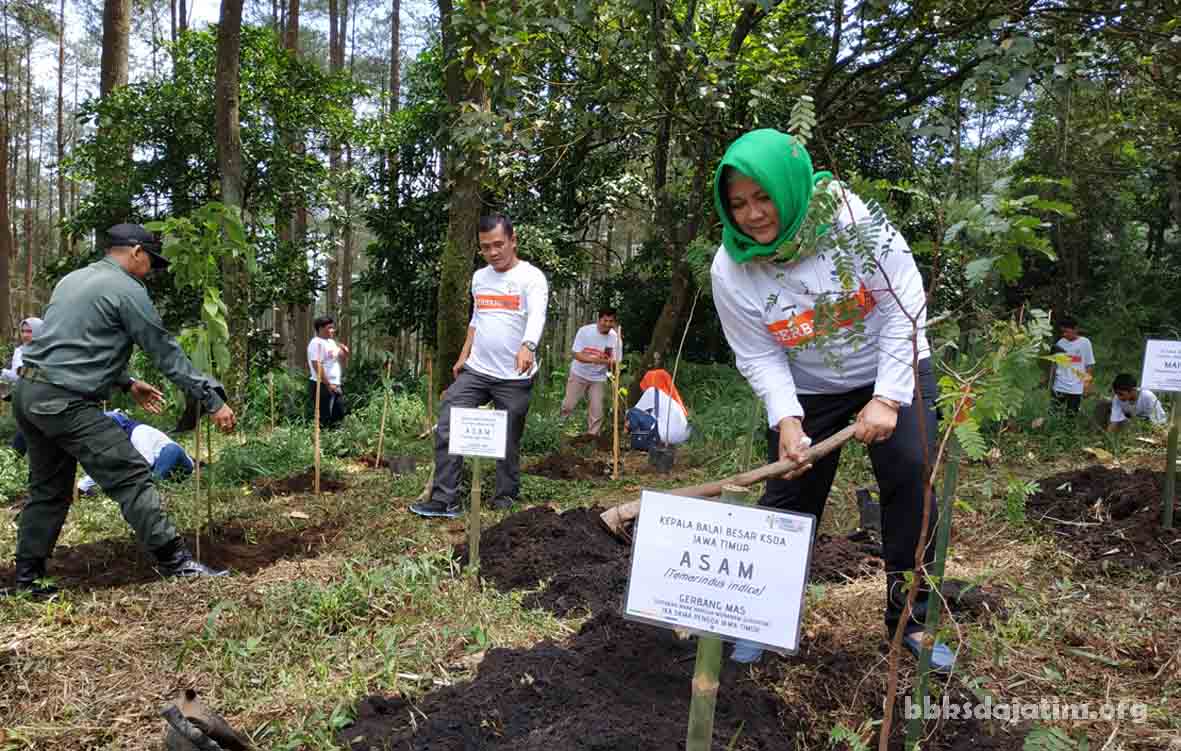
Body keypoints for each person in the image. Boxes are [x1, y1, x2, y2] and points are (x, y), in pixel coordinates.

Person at [709, 129, 952, 671]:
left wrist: (888, 396)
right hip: (809, 386)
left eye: (763, 196)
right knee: (788, 498)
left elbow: (902, 301)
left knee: (912, 479)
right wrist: (788, 418)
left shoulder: (849, 220)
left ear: (788, 187)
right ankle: (762, 621)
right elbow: (758, 354)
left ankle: (910, 625)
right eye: (739, 203)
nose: (752, 215)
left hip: (892, 364)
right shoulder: (731, 268)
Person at [7, 223, 235, 596]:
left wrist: (126, 383)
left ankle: (28, 580)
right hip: (66, 402)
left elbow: (73, 345)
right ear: (135, 252)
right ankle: (176, 563)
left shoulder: (73, 280)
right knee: (130, 475)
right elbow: (164, 351)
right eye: (151, 261)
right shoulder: (127, 289)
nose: (151, 270)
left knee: (49, 490)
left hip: (30, 394)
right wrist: (212, 400)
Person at [411, 214, 548, 518]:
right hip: (477, 370)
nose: (493, 252)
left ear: (513, 241)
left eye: (499, 244)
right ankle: (445, 498)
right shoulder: (480, 278)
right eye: (486, 247)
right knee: (448, 419)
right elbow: (477, 319)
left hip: (514, 376)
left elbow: (537, 315)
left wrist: (528, 345)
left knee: (508, 437)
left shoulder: (531, 278)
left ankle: (505, 496)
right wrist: (463, 355)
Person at [78, 411, 195, 494]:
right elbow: (105, 466)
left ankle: (153, 489)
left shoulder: (139, 432)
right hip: (159, 471)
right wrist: (82, 486)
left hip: (178, 464)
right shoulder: (117, 444)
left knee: (170, 450)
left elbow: (146, 461)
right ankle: (152, 487)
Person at [559, 308, 619, 436]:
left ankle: (592, 437)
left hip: (598, 377)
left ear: (614, 322)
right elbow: (576, 354)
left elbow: (616, 361)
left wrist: (609, 363)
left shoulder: (615, 338)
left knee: (597, 411)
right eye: (605, 320)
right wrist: (595, 360)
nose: (607, 324)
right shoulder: (585, 331)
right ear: (599, 319)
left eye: (611, 321)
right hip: (579, 373)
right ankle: (559, 428)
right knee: (568, 405)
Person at [2, 317, 43, 455]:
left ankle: (14, 460)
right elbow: (17, 374)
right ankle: (14, 461)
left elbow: (22, 373)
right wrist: (3, 372)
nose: (25, 335)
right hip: (26, 398)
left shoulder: (47, 351)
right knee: (26, 429)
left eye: (29, 331)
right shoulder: (20, 350)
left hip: (43, 397)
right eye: (23, 331)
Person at [307, 315, 349, 429]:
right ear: (320, 328)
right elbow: (317, 365)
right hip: (321, 385)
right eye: (329, 327)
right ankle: (321, 443)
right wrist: (328, 384)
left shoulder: (331, 342)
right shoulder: (316, 343)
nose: (332, 330)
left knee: (339, 414)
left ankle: (336, 441)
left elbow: (339, 357)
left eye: (332, 327)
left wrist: (344, 352)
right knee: (324, 416)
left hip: (335, 385)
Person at [1048, 316, 1094, 414]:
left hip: (1076, 388)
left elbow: (1089, 365)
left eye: (1066, 332)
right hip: (1059, 386)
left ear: (1075, 329)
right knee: (1054, 414)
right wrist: (1051, 384)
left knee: (1071, 416)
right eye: (1062, 332)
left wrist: (1087, 385)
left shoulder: (1085, 343)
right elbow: (1055, 365)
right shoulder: (1060, 343)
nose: (1064, 334)